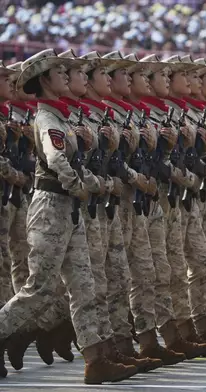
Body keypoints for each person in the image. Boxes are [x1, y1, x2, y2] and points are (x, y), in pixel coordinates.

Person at [0, 48, 138, 384]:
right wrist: (82, 185)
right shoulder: (47, 118)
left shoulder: (61, 116)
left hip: (67, 208)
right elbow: (58, 160)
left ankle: (96, 360)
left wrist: (87, 183)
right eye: (60, 73)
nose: (66, 77)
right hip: (51, 207)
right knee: (40, 289)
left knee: (84, 285)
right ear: (45, 80)